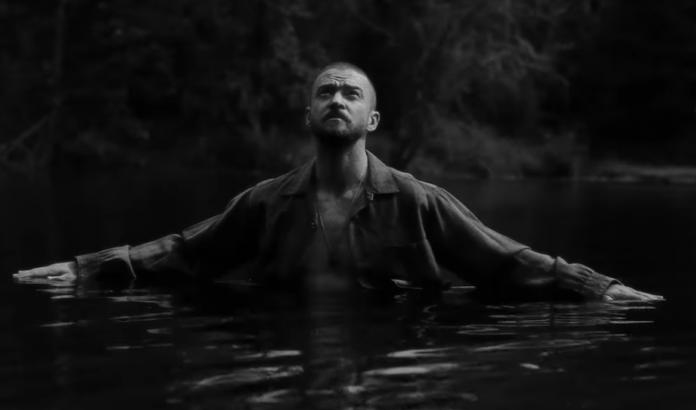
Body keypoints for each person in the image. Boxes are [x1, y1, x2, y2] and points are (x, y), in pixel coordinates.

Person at [14, 62, 661, 302]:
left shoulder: (416, 201)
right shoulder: (266, 203)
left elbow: (506, 261)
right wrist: (84, 269)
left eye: (351, 93)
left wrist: (599, 288)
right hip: (287, 360)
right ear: (308, 114)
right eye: (326, 91)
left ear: (371, 119)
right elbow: (184, 252)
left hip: (393, 366)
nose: (337, 99)